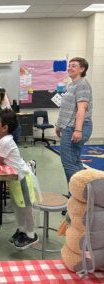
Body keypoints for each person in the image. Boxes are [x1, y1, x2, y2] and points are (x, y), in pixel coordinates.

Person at [0, 109, 39, 249]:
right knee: (18, 207)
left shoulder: (6, 141)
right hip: (14, 179)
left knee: (26, 208)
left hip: (22, 179)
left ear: (4, 128)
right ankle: (22, 230)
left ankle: (31, 235)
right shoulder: (0, 139)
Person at [55, 57, 93, 197]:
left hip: (76, 128)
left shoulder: (82, 84)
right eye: (69, 65)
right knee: (75, 161)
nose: (70, 68)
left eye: (74, 66)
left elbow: (81, 109)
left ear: (82, 69)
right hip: (68, 127)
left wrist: (78, 130)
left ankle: (75, 197)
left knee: (69, 163)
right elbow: (66, 109)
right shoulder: (72, 85)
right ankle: (84, 194)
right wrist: (59, 126)